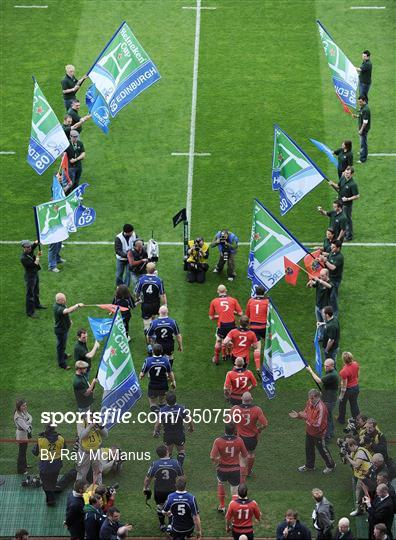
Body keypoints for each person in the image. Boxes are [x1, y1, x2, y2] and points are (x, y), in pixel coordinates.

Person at [289, 388, 336, 474]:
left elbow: (318, 423)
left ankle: (331, 465)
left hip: (318, 433)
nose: (310, 400)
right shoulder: (310, 402)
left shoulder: (321, 408)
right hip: (309, 431)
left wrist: (306, 417)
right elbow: (305, 413)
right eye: (309, 398)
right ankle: (309, 466)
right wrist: (298, 416)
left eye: (311, 398)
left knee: (323, 450)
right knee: (309, 449)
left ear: (317, 397)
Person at [143, 444, 183, 532]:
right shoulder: (175, 463)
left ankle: (162, 524)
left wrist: (145, 488)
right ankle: (170, 525)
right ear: (167, 451)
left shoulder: (155, 464)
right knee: (172, 507)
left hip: (159, 491)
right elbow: (181, 477)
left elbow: (147, 478)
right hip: (172, 490)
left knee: (160, 507)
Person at [210, 423, 248, 512]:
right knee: (234, 492)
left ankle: (222, 506)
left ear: (224, 431)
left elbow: (212, 456)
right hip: (234, 470)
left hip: (222, 469)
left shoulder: (218, 441)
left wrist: (216, 462)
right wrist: (243, 469)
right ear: (235, 431)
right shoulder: (239, 440)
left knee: (220, 483)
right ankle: (234, 511)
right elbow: (245, 455)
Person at [230, 392, 268, 477]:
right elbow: (265, 424)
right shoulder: (257, 409)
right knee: (251, 454)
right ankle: (249, 471)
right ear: (251, 399)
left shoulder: (235, 408)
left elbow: (230, 422)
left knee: (242, 456)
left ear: (242, 399)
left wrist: (235, 429)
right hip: (252, 437)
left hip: (241, 437)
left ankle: (241, 474)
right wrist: (259, 429)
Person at [154, 392, 193, 469]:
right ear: (175, 400)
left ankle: (170, 467)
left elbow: (157, 424)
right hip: (179, 434)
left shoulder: (162, 410)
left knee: (168, 452)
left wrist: (156, 432)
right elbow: (189, 420)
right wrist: (191, 428)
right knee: (181, 451)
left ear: (166, 400)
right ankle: (179, 466)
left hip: (168, 435)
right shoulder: (181, 408)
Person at [32, 424, 66, 506]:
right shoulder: (60, 438)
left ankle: (51, 500)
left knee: (46, 484)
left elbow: (35, 452)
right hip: (56, 464)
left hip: (45, 465)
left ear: (45, 428)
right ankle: (52, 493)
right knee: (53, 481)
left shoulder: (40, 439)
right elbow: (64, 449)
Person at [209, 284, 242, 364]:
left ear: (217, 291)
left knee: (219, 341)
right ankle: (232, 356)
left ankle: (216, 358)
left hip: (222, 325)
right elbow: (240, 313)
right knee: (233, 340)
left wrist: (219, 316)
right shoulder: (233, 300)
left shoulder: (214, 301)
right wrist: (232, 312)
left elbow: (211, 317)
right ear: (226, 290)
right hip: (232, 325)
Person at [306, 359, 339, 441]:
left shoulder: (332, 375)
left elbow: (319, 381)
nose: (325, 368)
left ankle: (327, 436)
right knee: (329, 417)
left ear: (332, 366)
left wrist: (310, 371)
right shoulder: (332, 373)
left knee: (325, 419)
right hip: (330, 399)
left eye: (327, 366)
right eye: (325, 366)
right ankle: (331, 433)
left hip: (328, 401)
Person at [139, 344, 176, 411]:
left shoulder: (148, 361)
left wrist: (141, 377)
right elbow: (170, 373)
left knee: (153, 403)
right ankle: (162, 415)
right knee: (162, 401)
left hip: (153, 386)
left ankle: (156, 416)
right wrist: (173, 382)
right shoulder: (166, 360)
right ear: (161, 351)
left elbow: (141, 375)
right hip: (163, 385)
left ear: (152, 351)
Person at [328, 166, 360, 241]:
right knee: (341, 219)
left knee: (347, 220)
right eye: (346, 172)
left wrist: (347, 199)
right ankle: (342, 233)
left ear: (352, 174)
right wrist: (332, 184)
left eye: (348, 173)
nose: (346, 174)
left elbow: (357, 196)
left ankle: (349, 236)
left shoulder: (353, 184)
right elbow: (338, 187)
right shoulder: (342, 178)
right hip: (340, 203)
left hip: (347, 205)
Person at [344, 436, 373, 516]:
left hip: (366, 477)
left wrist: (348, 458)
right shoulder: (355, 452)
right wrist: (347, 458)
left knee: (363, 494)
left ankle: (364, 511)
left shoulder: (360, 452)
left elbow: (356, 464)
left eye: (349, 447)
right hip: (363, 476)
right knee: (364, 494)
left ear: (353, 445)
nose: (349, 450)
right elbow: (352, 462)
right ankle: (362, 509)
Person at [54, 293, 83, 370]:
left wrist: (69, 320)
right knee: (61, 346)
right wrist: (77, 305)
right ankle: (62, 363)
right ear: (59, 300)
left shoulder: (61, 305)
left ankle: (63, 355)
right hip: (61, 331)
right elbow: (67, 311)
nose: (65, 300)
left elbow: (67, 312)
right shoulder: (58, 308)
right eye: (63, 299)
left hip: (63, 329)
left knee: (62, 345)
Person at [135, 262, 167, 332]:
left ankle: (149, 341)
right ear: (155, 270)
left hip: (146, 304)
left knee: (147, 326)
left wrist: (137, 299)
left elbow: (137, 292)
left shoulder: (142, 279)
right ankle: (154, 337)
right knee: (154, 322)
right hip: (156, 304)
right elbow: (162, 295)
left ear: (146, 269)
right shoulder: (159, 280)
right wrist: (164, 305)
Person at [76, 417, 108, 486]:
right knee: (82, 472)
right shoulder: (81, 423)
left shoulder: (98, 421)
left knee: (98, 471)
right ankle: (79, 488)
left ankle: (97, 488)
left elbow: (106, 435)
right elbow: (81, 436)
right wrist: (89, 427)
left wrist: (101, 428)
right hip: (84, 452)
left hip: (96, 451)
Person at [20, 239, 45, 318]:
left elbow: (33, 246)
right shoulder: (23, 258)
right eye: (28, 247)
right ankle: (30, 312)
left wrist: (36, 242)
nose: (30, 248)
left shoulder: (29, 251)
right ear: (24, 248)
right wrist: (38, 256)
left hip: (34, 274)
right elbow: (34, 264)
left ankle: (37, 304)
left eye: (30, 246)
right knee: (30, 294)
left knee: (36, 290)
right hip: (30, 277)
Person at [319, 241, 344, 317]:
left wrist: (325, 261)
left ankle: (335, 315)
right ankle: (329, 312)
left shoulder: (339, 257)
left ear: (338, 248)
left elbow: (332, 267)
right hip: (329, 278)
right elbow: (328, 256)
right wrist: (319, 258)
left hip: (335, 280)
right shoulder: (332, 253)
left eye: (333, 247)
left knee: (333, 298)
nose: (331, 248)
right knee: (329, 297)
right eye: (331, 246)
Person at [245, 286, 269, 358]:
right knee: (269, 343)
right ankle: (269, 358)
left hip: (253, 327)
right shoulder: (267, 302)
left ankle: (257, 367)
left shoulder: (251, 301)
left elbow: (247, 315)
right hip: (264, 327)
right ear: (264, 292)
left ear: (255, 292)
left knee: (257, 348)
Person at [338, 352, 360, 424]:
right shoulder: (356, 364)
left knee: (342, 405)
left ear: (344, 360)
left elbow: (344, 386)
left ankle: (341, 420)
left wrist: (341, 396)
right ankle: (358, 420)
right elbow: (357, 375)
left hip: (348, 390)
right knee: (354, 404)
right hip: (356, 387)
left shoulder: (343, 371)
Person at [14, 399, 32, 474]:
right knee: (21, 452)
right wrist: (29, 423)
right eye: (23, 405)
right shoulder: (18, 416)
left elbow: (30, 417)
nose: (25, 406)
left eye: (25, 405)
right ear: (19, 407)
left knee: (24, 451)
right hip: (21, 435)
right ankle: (21, 469)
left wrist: (28, 422)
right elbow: (25, 427)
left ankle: (24, 465)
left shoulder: (22, 411)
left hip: (24, 434)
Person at [354, 95, 371, 163]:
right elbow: (361, 115)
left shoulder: (366, 109)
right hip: (362, 128)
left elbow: (365, 122)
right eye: (359, 102)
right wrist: (357, 116)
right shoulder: (363, 107)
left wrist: (361, 130)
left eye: (360, 102)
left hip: (364, 129)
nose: (359, 103)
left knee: (363, 143)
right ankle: (363, 152)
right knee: (363, 142)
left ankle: (363, 159)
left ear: (364, 101)